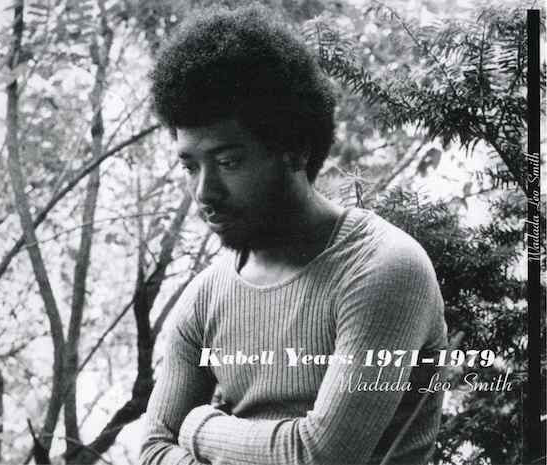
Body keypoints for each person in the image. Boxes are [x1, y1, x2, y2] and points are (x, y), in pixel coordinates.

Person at [139, 4, 448, 465]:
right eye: (190, 166)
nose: (204, 192)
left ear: (295, 150)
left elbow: (320, 455)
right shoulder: (205, 297)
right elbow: (151, 451)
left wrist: (198, 427)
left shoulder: (383, 268)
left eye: (228, 162)